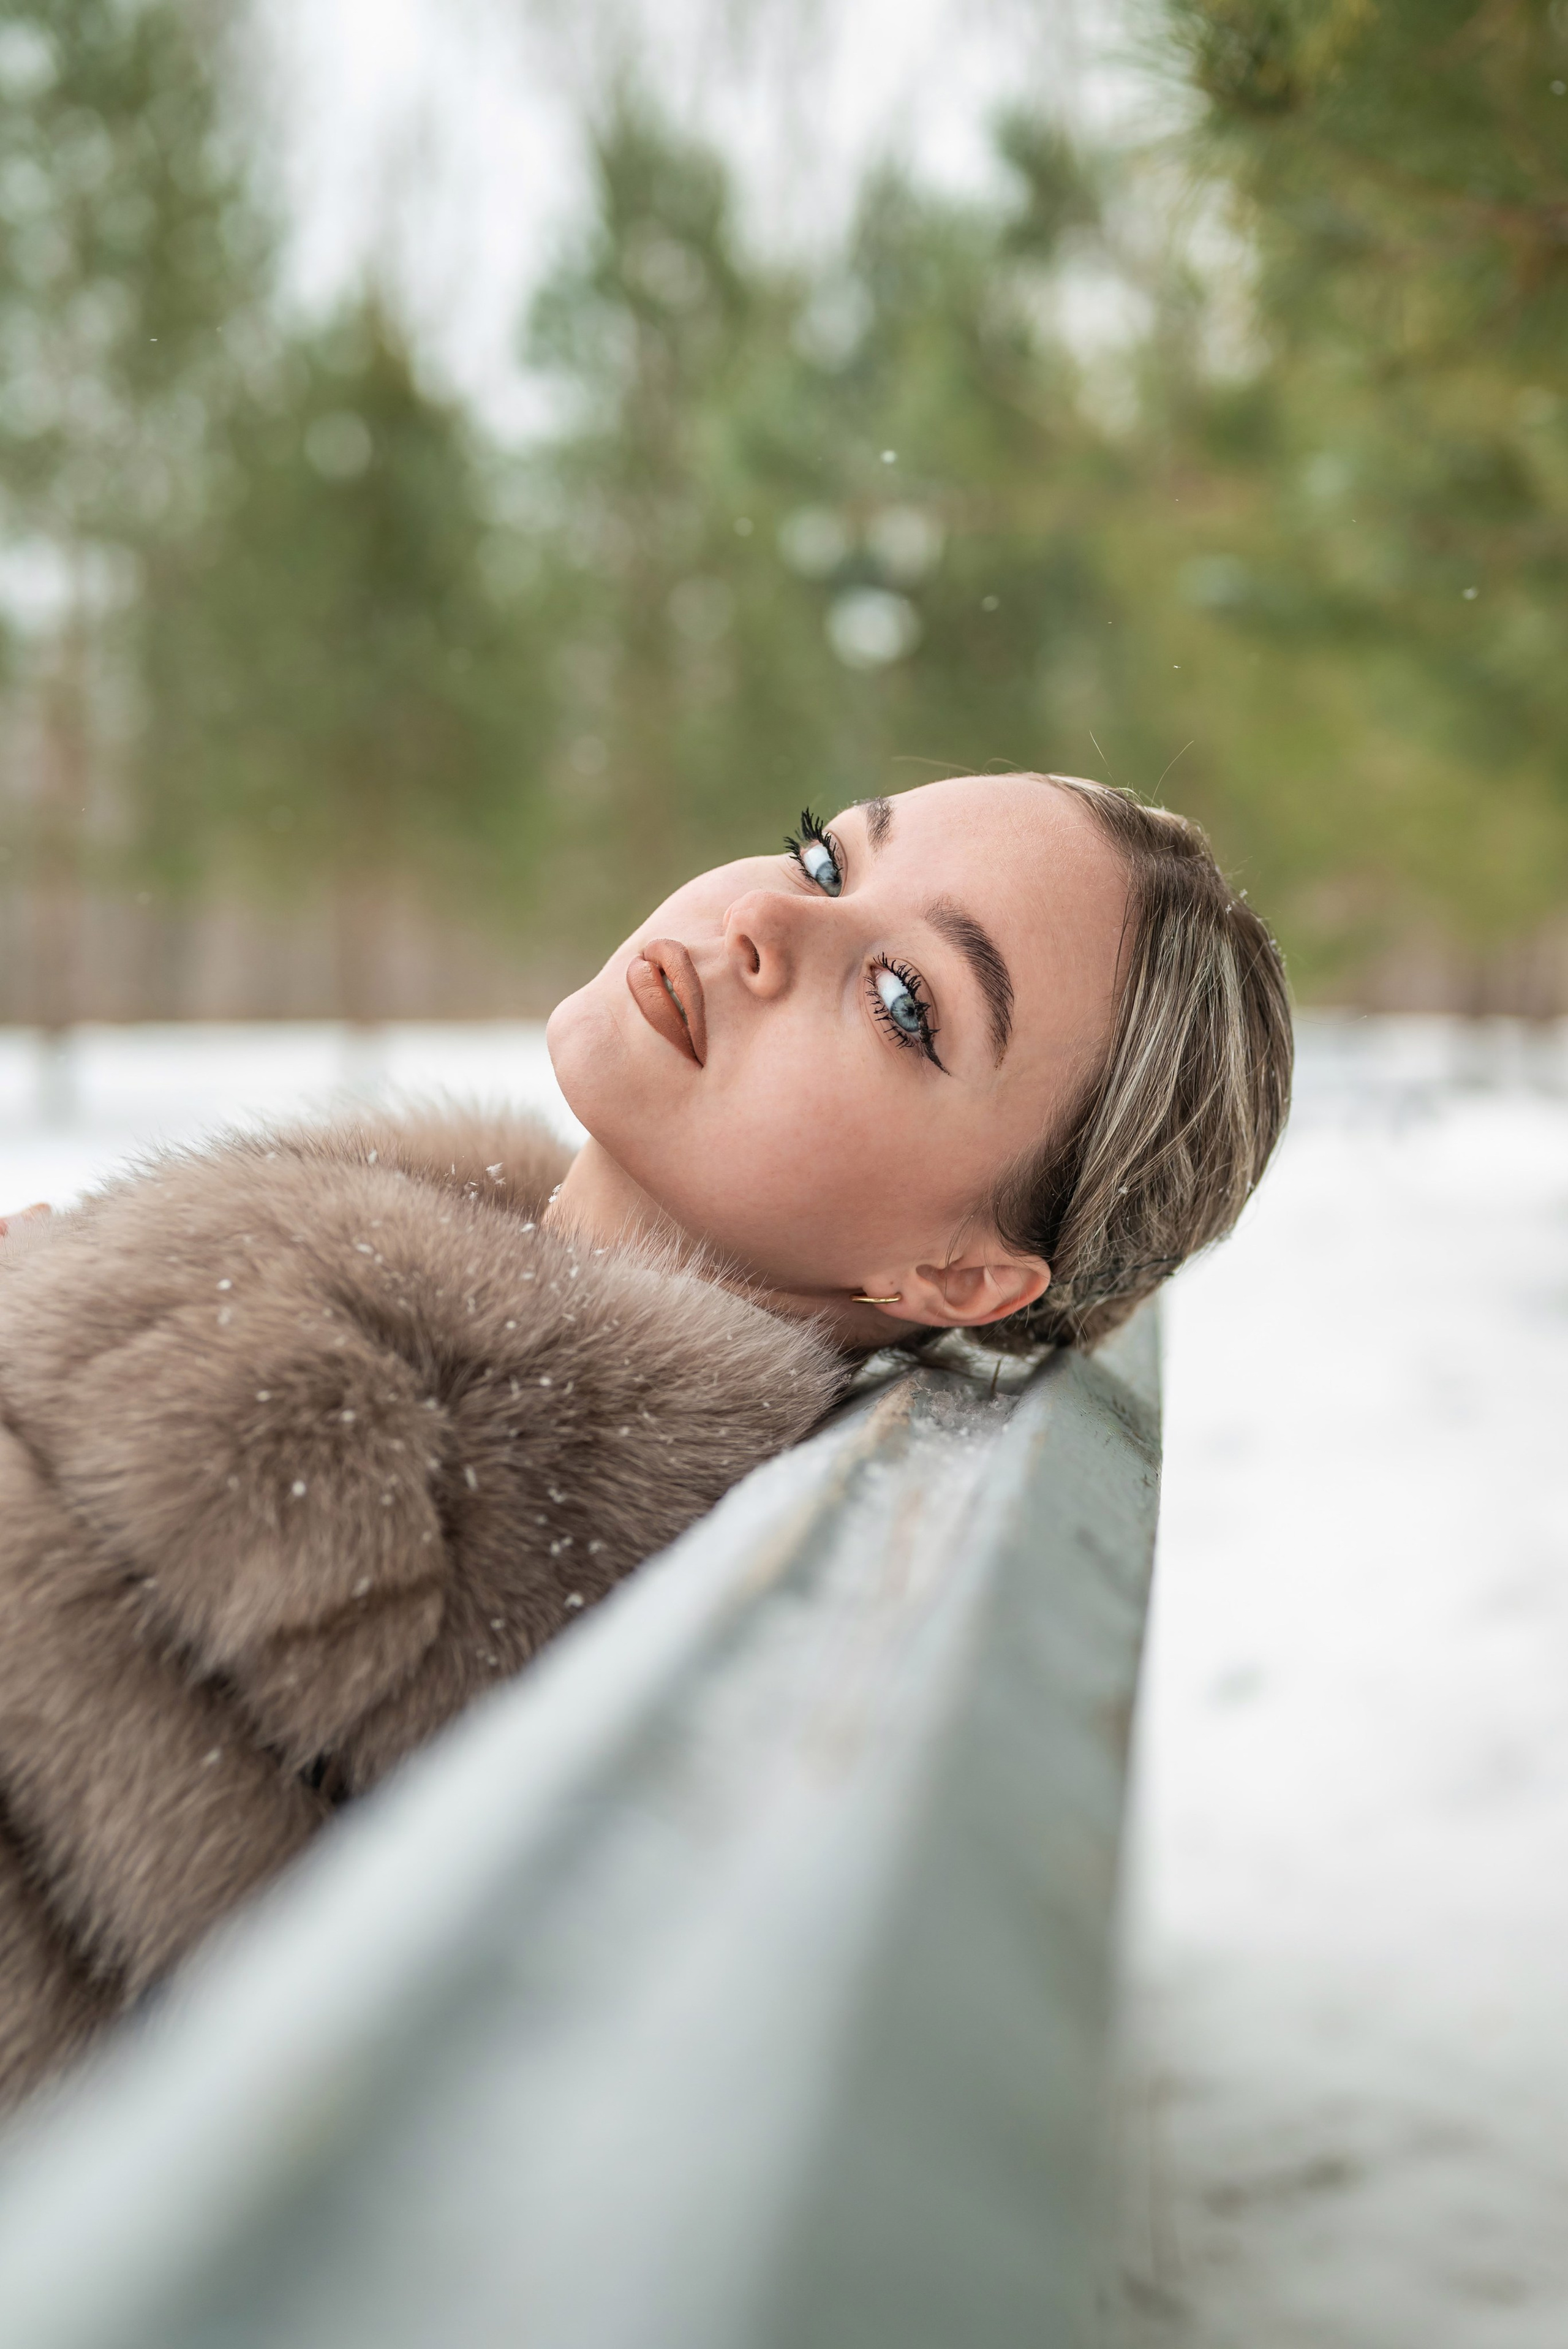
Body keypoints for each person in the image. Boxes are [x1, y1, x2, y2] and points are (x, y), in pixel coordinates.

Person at [0, 773, 1291, 2106]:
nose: (767, 923)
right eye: (828, 859)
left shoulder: (367, 1453)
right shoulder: (383, 1370)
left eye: (906, 1003)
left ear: (958, 1278)